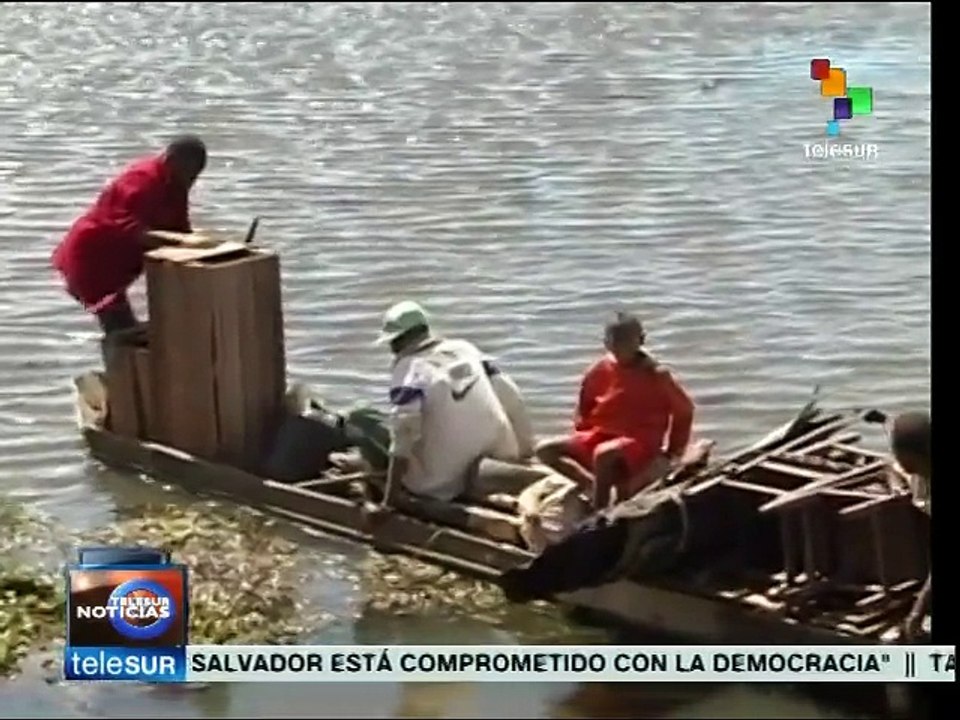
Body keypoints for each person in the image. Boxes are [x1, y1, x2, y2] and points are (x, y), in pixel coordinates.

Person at [51, 136, 208, 359]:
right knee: (123, 332)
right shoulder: (143, 177)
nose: (191, 181)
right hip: (90, 260)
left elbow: (179, 227)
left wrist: (201, 246)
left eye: (195, 176)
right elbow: (124, 223)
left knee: (129, 331)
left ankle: (127, 379)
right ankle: (123, 384)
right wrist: (168, 240)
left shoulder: (175, 184)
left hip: (115, 269)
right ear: (171, 159)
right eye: (189, 172)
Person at [369, 300, 536, 511]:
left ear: (396, 341)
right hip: (498, 455)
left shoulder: (408, 369)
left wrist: (389, 501)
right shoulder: (465, 349)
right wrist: (524, 451)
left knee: (366, 425)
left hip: (442, 483)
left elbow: (404, 432)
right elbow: (510, 394)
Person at [536, 311, 695, 509]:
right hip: (602, 436)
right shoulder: (599, 369)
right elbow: (584, 407)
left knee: (604, 453)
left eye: (625, 342)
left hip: (639, 442)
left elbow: (684, 411)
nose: (619, 348)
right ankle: (591, 485)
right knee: (545, 449)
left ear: (641, 340)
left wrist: (673, 452)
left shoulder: (657, 375)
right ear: (605, 342)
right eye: (613, 341)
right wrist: (582, 433)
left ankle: (600, 511)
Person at [889, 411, 931, 640]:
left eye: (897, 449)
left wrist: (916, 614)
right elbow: (892, 467)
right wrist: (896, 485)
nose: (894, 453)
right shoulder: (916, 470)